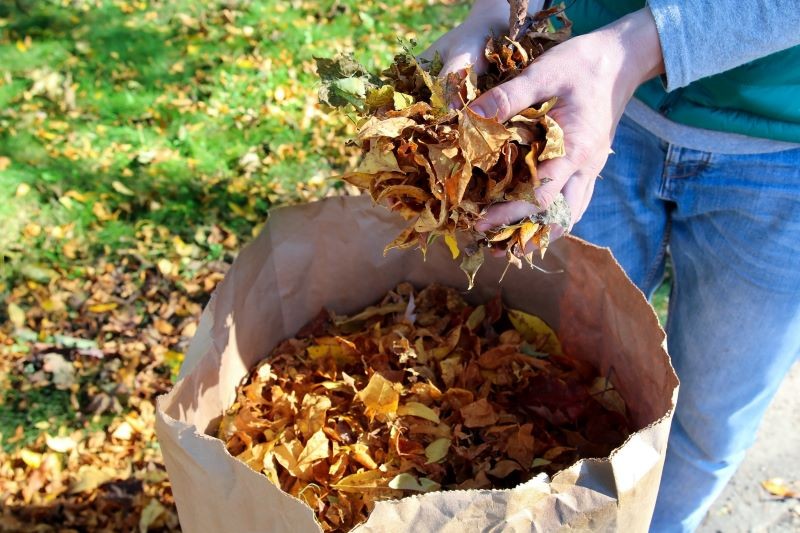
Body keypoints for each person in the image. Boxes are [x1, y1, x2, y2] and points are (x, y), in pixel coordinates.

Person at [423, 1, 800, 531]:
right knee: (569, 370)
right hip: (587, 93)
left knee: (705, 418)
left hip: (785, 138)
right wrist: (500, 8)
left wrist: (633, 50)